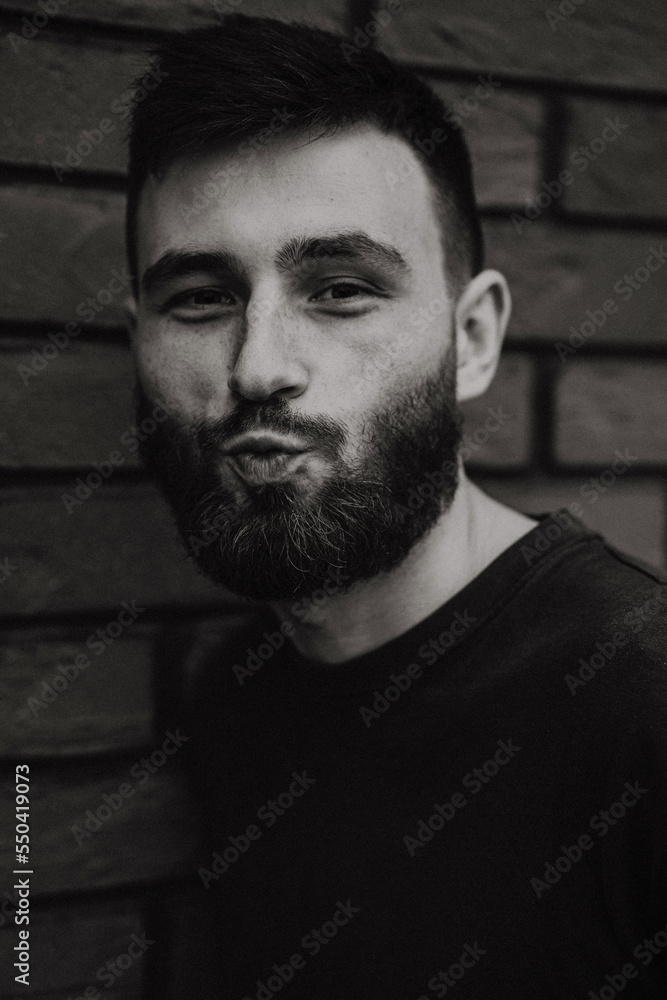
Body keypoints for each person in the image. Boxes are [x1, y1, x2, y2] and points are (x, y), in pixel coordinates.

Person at [123, 14, 667, 997]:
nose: (258, 367)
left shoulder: (637, 703)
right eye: (200, 298)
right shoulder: (235, 697)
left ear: (472, 338)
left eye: (339, 289)